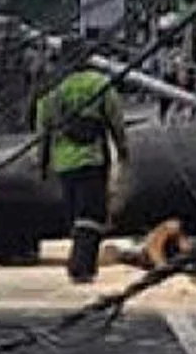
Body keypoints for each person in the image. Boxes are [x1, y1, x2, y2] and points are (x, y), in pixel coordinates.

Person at [36, 64, 131, 284]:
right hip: (92, 158)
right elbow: (116, 120)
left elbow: (42, 133)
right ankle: (81, 266)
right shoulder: (99, 84)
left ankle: (81, 264)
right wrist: (123, 149)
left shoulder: (52, 91)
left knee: (76, 215)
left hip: (64, 163)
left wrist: (43, 164)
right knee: (91, 216)